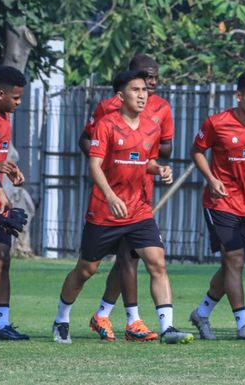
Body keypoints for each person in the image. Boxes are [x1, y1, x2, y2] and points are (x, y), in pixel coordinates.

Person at [52, 70, 191, 345]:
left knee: (157, 262)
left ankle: (167, 328)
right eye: (135, 90)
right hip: (105, 211)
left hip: (138, 211)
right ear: (120, 95)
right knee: (86, 270)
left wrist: (159, 169)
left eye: (144, 90)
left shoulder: (152, 127)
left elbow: (145, 161)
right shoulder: (106, 124)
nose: (142, 95)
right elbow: (94, 164)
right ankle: (61, 319)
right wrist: (111, 196)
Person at [78, 54, 173, 342]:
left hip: (140, 199)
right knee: (97, 266)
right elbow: (87, 142)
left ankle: (141, 322)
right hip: (110, 199)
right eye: (145, 78)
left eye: (154, 78)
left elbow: (162, 149)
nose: (151, 83)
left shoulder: (161, 111)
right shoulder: (108, 110)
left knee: (143, 259)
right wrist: (109, 165)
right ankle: (112, 316)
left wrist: (155, 163)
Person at [189, 71, 245, 340]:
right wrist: (211, 178)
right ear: (239, 96)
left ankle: (202, 312)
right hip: (220, 202)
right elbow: (196, 151)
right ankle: (243, 324)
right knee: (235, 261)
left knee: (232, 265)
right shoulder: (217, 123)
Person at [0, 66, 28, 341]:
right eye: (15, 97)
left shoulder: (5, 121)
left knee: (2, 259)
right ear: (1, 93)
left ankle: (2, 325)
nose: (18, 102)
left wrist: (8, 169)